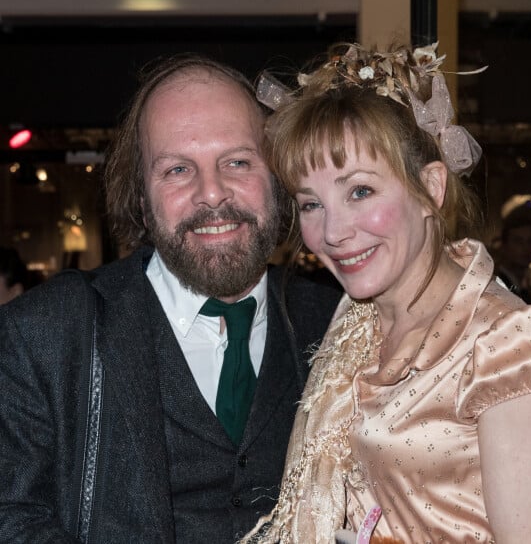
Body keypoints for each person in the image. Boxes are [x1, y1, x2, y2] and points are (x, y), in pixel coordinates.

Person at [243, 41, 531, 543]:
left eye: (360, 191)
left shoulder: (507, 343)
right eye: (311, 204)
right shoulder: (354, 322)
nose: (332, 232)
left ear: (432, 190)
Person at [0, 55, 342, 542]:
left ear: (279, 180)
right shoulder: (43, 335)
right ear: (141, 195)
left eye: (238, 162)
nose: (213, 194)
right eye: (179, 169)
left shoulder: (339, 323)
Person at [494, 194, 531, 303]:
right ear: (504, 245)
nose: (526, 248)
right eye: (518, 241)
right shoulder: (499, 288)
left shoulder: (520, 290)